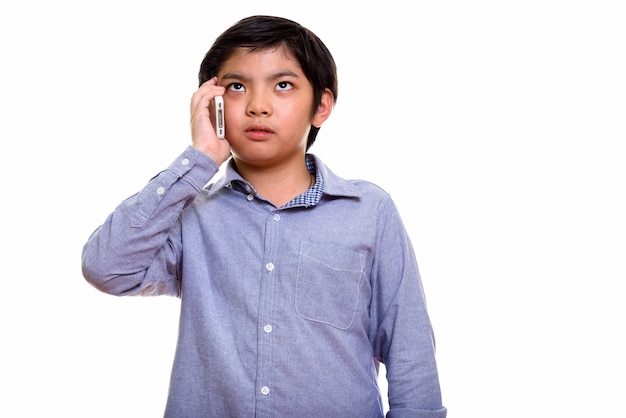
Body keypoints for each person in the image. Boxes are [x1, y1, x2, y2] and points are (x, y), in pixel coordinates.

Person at [81, 15, 447, 418]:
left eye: (283, 85)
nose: (257, 106)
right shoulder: (191, 215)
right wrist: (200, 159)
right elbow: (106, 269)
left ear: (321, 106)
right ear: (212, 103)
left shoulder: (370, 211)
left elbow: (408, 347)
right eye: (236, 87)